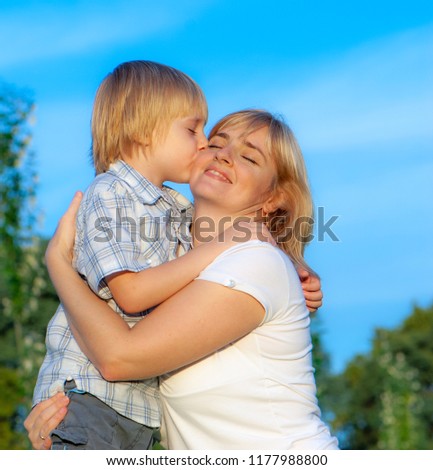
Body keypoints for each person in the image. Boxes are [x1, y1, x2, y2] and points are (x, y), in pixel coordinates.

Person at [27, 109, 337, 449]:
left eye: (249, 156)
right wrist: (63, 413)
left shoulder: (256, 261)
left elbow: (119, 357)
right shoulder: (168, 264)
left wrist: (58, 263)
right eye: (215, 143)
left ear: (274, 199)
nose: (225, 155)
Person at [31, 60, 255, 450]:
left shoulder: (174, 207)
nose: (204, 142)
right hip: (89, 400)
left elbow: (225, 254)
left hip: (135, 412)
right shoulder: (110, 194)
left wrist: (295, 270)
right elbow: (131, 294)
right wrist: (219, 248)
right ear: (142, 128)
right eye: (192, 129)